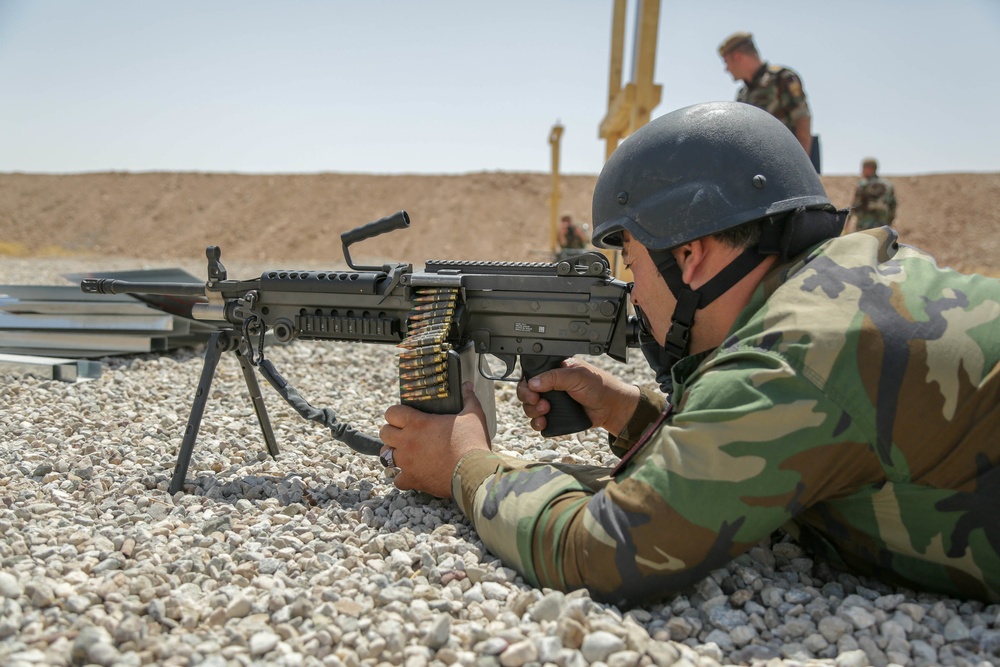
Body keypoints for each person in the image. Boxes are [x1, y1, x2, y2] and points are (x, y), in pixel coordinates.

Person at [379, 101, 1000, 608]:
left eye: (632, 260)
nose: (632, 289)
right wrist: (631, 413)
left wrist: (463, 463)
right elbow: (780, 446)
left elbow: (605, 550)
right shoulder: (848, 283)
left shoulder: (796, 354)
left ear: (691, 254)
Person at [719, 31, 813, 157]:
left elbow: (802, 121)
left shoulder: (782, 78)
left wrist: (800, 166)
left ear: (737, 57)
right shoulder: (743, 94)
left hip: (784, 163)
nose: (727, 69)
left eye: (726, 62)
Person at [849, 157, 898, 231]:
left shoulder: (863, 184)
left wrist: (847, 222)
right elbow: (893, 206)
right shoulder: (888, 185)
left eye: (863, 168)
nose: (861, 171)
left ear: (869, 168)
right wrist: (889, 223)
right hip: (883, 228)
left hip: (865, 227)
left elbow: (855, 205)